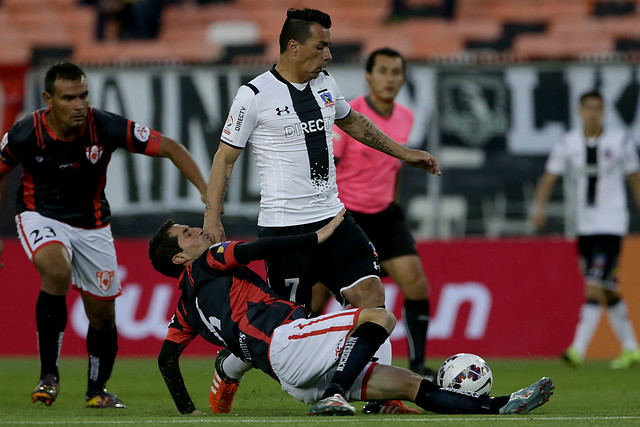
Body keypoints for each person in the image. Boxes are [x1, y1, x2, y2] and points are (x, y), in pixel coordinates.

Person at [203, 8, 441, 415]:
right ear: (293, 47)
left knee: (372, 299)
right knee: (283, 331)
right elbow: (225, 158)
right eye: (321, 46)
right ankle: (229, 366)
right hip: (285, 231)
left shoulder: (326, 84)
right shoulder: (254, 95)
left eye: (329, 46)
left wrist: (404, 154)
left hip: (334, 218)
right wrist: (213, 216)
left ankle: (365, 398)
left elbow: (354, 123)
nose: (328, 55)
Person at [149, 210, 554, 416]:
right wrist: (318, 236)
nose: (198, 231)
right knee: (378, 315)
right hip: (289, 343)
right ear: (181, 257)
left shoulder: (184, 309)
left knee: (410, 385)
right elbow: (258, 249)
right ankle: (334, 393)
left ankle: (498, 406)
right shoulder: (211, 260)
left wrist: (189, 413)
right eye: (187, 234)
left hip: (291, 375)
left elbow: (168, 360)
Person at [0, 62, 208, 408]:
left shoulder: (105, 126)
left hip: (93, 226)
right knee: (56, 269)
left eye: (83, 95)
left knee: (102, 316)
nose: (79, 104)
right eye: (69, 98)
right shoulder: (24, 134)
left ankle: (96, 391)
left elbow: (170, 147)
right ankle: (48, 375)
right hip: (39, 215)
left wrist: (205, 191)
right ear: (48, 99)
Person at [317, 47, 434, 382]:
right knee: (318, 295)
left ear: (403, 79)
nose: (389, 78)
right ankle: (297, 359)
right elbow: (330, 169)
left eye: (395, 72)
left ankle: (419, 364)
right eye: (382, 71)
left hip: (385, 213)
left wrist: (393, 203)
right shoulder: (349, 114)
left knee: (415, 282)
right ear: (368, 76)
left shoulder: (406, 117)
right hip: (347, 214)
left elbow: (395, 167)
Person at [533, 90, 640, 369]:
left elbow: (634, 179)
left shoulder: (620, 141)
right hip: (584, 226)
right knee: (607, 286)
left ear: (603, 111)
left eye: (597, 108)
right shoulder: (568, 143)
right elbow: (549, 177)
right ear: (580, 111)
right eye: (587, 108)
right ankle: (632, 348)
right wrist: (539, 206)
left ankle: (577, 349)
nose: (592, 113)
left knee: (594, 282)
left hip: (612, 223)